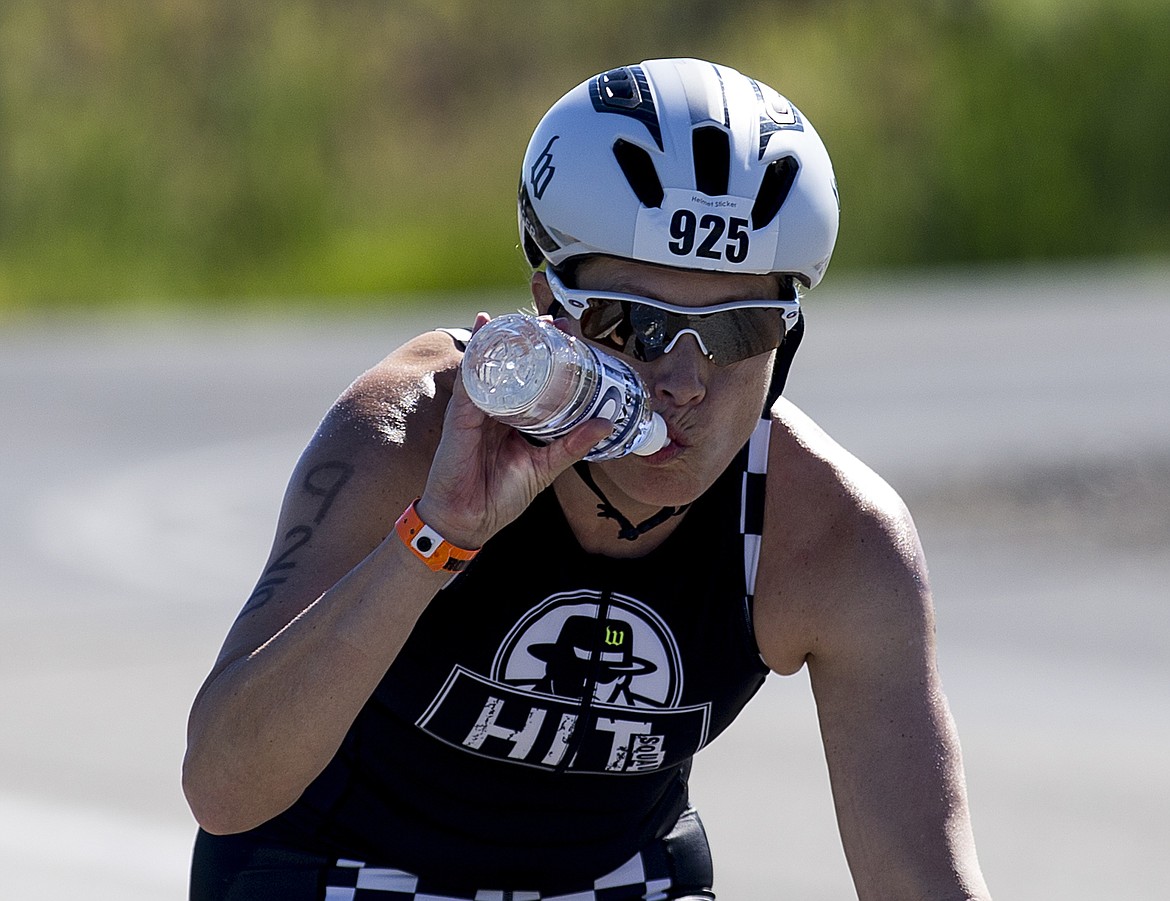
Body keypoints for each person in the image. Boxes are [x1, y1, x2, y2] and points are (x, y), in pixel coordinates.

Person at [183, 58, 992, 900]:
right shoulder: (412, 431)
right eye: (637, 324)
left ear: (785, 340)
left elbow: (922, 880)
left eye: (737, 328)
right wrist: (434, 537)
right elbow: (223, 785)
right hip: (338, 870)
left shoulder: (829, 534)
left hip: (613, 879)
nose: (684, 381)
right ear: (550, 307)